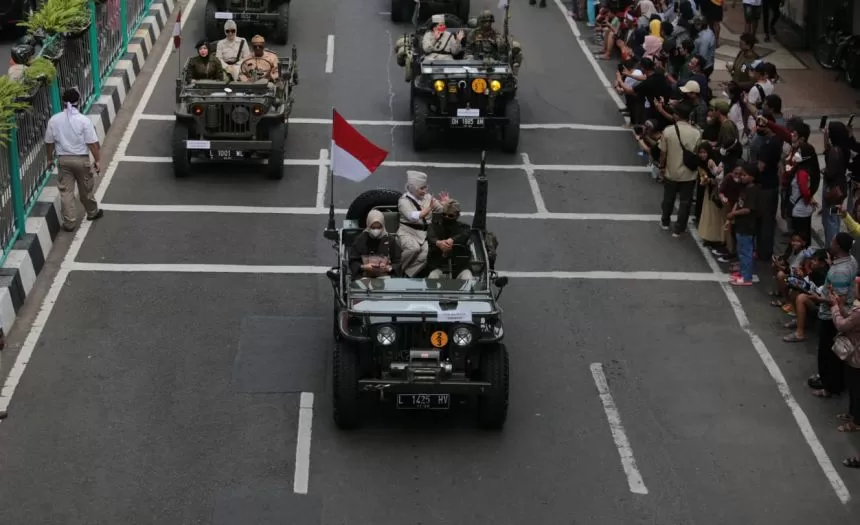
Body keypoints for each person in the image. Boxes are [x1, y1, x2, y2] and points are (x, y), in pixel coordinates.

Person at [44, 88, 105, 232]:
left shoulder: (54, 120)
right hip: (81, 160)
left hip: (63, 161)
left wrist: (49, 159)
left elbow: (49, 142)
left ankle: (70, 222)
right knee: (86, 189)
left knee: (66, 192)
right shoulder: (84, 121)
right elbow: (92, 144)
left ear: (63, 103)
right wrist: (97, 160)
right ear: (79, 102)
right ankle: (92, 212)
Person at [811, 232, 858, 398]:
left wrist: (818, 299)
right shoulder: (850, 261)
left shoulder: (840, 271)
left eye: (833, 241)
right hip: (841, 311)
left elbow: (838, 299)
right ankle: (835, 382)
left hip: (831, 316)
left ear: (838, 246)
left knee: (828, 353)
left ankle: (829, 386)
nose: (830, 243)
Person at [658, 100, 701, 236]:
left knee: (668, 198)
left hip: (671, 172)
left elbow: (663, 153)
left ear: (676, 115)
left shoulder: (668, 131)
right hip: (689, 174)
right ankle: (679, 228)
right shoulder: (696, 133)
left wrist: (661, 167)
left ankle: (665, 222)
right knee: (685, 202)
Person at [397, 170, 447, 277]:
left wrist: (446, 203)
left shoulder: (428, 198)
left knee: (428, 253)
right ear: (413, 188)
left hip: (424, 234)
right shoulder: (404, 201)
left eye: (425, 187)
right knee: (413, 248)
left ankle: (407, 273)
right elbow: (412, 216)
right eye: (421, 188)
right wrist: (428, 209)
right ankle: (396, 270)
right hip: (407, 232)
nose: (424, 191)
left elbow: (441, 209)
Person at [826, 285, 860, 433]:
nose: (854, 290)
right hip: (853, 354)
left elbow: (842, 325)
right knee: (852, 385)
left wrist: (834, 308)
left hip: (857, 355)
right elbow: (850, 319)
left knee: (857, 389)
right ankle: (852, 414)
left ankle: (856, 422)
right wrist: (840, 307)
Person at [726, 162, 760, 286]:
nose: (742, 177)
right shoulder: (744, 188)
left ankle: (746, 277)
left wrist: (733, 214)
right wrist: (733, 212)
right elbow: (739, 202)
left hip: (747, 225)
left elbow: (747, 209)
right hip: (740, 224)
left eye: (744, 175)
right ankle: (742, 272)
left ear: (752, 177)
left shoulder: (753, 191)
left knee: (746, 252)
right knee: (741, 250)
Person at [427, 200, 474, 279]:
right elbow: (431, 237)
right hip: (438, 266)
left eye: (450, 216)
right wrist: (439, 243)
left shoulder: (464, 227)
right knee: (432, 277)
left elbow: (465, 234)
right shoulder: (434, 226)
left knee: (468, 278)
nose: (446, 217)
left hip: (460, 267)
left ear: (457, 215)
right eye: (444, 214)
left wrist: (452, 240)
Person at [349, 209, 401, 279]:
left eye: (379, 227)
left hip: (385, 276)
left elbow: (398, 261)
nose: (376, 230)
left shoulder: (390, 240)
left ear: (383, 226)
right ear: (368, 225)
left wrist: (388, 268)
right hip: (365, 276)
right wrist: (364, 267)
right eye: (373, 227)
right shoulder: (360, 240)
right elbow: (353, 261)